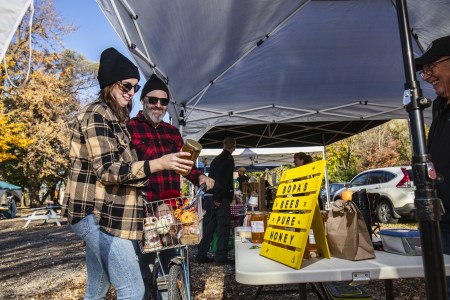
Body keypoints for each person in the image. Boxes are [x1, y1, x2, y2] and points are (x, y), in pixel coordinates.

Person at [61, 47, 195, 300]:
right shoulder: (97, 114)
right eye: (126, 86)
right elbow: (108, 170)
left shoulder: (115, 118)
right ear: (110, 83)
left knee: (97, 288)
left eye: (135, 86)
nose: (131, 92)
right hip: (97, 216)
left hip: (111, 214)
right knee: (133, 290)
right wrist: (158, 164)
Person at [126, 74, 214, 298]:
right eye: (153, 100)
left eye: (163, 102)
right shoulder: (129, 128)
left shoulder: (173, 132)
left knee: (173, 260)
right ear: (143, 100)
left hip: (173, 209)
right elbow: (125, 168)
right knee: (144, 267)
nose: (158, 105)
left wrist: (200, 177)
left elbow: (185, 166)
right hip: (144, 210)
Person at [415, 35, 450, 299]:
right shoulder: (440, 106)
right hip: (443, 218)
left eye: (431, 68)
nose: (426, 77)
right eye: (424, 71)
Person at [197, 137, 236, 265]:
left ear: (223, 145)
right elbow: (223, 180)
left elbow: (215, 178)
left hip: (210, 196)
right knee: (223, 227)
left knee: (209, 227)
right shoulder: (228, 159)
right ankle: (221, 256)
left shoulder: (216, 159)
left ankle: (201, 254)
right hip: (220, 197)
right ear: (234, 147)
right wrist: (219, 198)